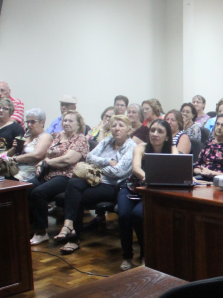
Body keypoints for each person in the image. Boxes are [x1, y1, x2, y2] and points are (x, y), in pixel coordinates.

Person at [55, 115, 136, 254]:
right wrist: (107, 162)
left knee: (76, 197)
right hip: (93, 179)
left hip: (112, 186)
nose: (116, 128)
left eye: (121, 125)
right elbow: (89, 156)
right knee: (73, 183)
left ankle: (73, 238)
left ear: (129, 130)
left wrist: (97, 167)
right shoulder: (108, 141)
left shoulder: (131, 147)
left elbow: (118, 171)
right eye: (114, 125)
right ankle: (69, 225)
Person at [118, 119, 177, 270]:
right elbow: (136, 169)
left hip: (152, 192)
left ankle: (146, 254)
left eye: (160, 131)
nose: (155, 134)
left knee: (138, 215)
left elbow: (176, 169)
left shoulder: (172, 149)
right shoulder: (141, 147)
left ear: (167, 137)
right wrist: (147, 177)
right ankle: (127, 256)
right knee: (124, 215)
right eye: (152, 130)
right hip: (132, 187)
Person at [27, 111, 90, 245]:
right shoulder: (60, 136)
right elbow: (49, 154)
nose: (66, 123)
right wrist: (44, 162)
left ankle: (41, 231)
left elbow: (68, 159)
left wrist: (48, 162)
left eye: (70, 121)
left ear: (78, 124)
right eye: (65, 120)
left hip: (66, 175)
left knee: (39, 193)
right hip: (50, 172)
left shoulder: (80, 139)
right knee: (26, 188)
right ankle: (30, 226)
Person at [194, 113, 223, 179]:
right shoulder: (208, 143)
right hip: (202, 177)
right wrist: (201, 172)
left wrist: (211, 173)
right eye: (217, 124)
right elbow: (196, 166)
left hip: (221, 181)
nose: (219, 127)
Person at [13, 108, 53, 183]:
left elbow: (37, 155)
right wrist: (13, 149)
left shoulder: (45, 137)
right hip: (17, 169)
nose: (29, 125)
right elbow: (13, 153)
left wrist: (15, 158)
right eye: (27, 122)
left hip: (31, 172)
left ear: (42, 122)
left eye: (32, 122)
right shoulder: (26, 137)